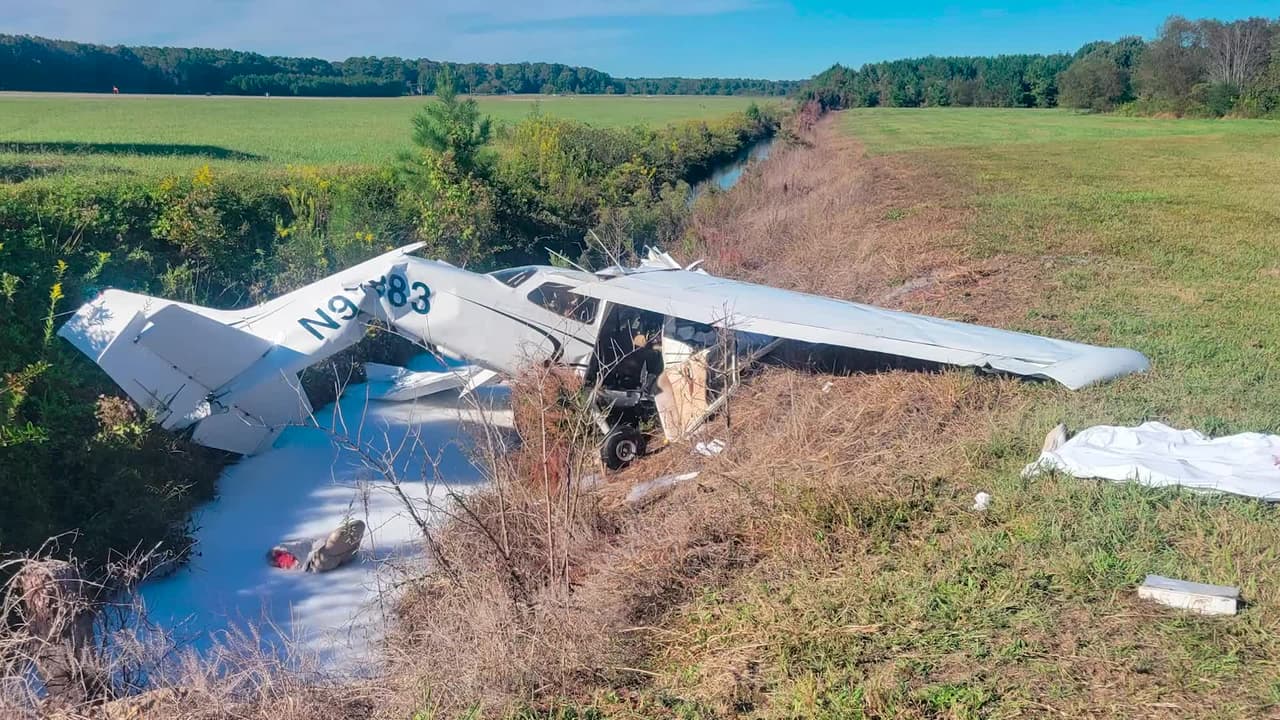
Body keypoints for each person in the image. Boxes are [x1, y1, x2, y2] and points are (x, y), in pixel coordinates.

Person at [267, 519, 365, 573]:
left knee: (335, 555)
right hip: (313, 563)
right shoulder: (278, 554)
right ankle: (345, 546)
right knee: (324, 557)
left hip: (317, 555)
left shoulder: (288, 546)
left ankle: (347, 548)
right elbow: (294, 563)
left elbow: (312, 544)